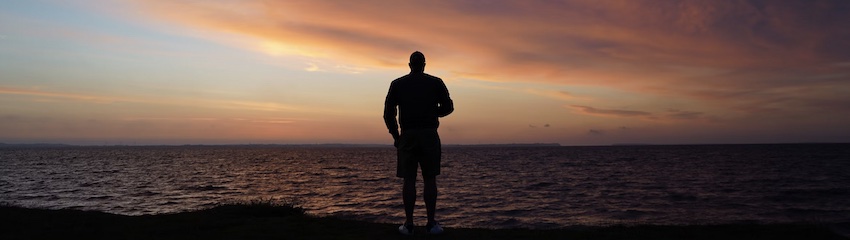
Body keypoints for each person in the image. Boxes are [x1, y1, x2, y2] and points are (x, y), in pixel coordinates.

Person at [383, 51, 453, 235]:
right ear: (424, 64)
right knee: (430, 179)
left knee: (409, 179)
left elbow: (388, 114)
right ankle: (431, 223)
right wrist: (432, 112)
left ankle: (409, 224)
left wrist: (396, 136)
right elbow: (448, 107)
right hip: (429, 135)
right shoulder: (435, 83)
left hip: (408, 135)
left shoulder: (397, 84)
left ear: (409, 65)